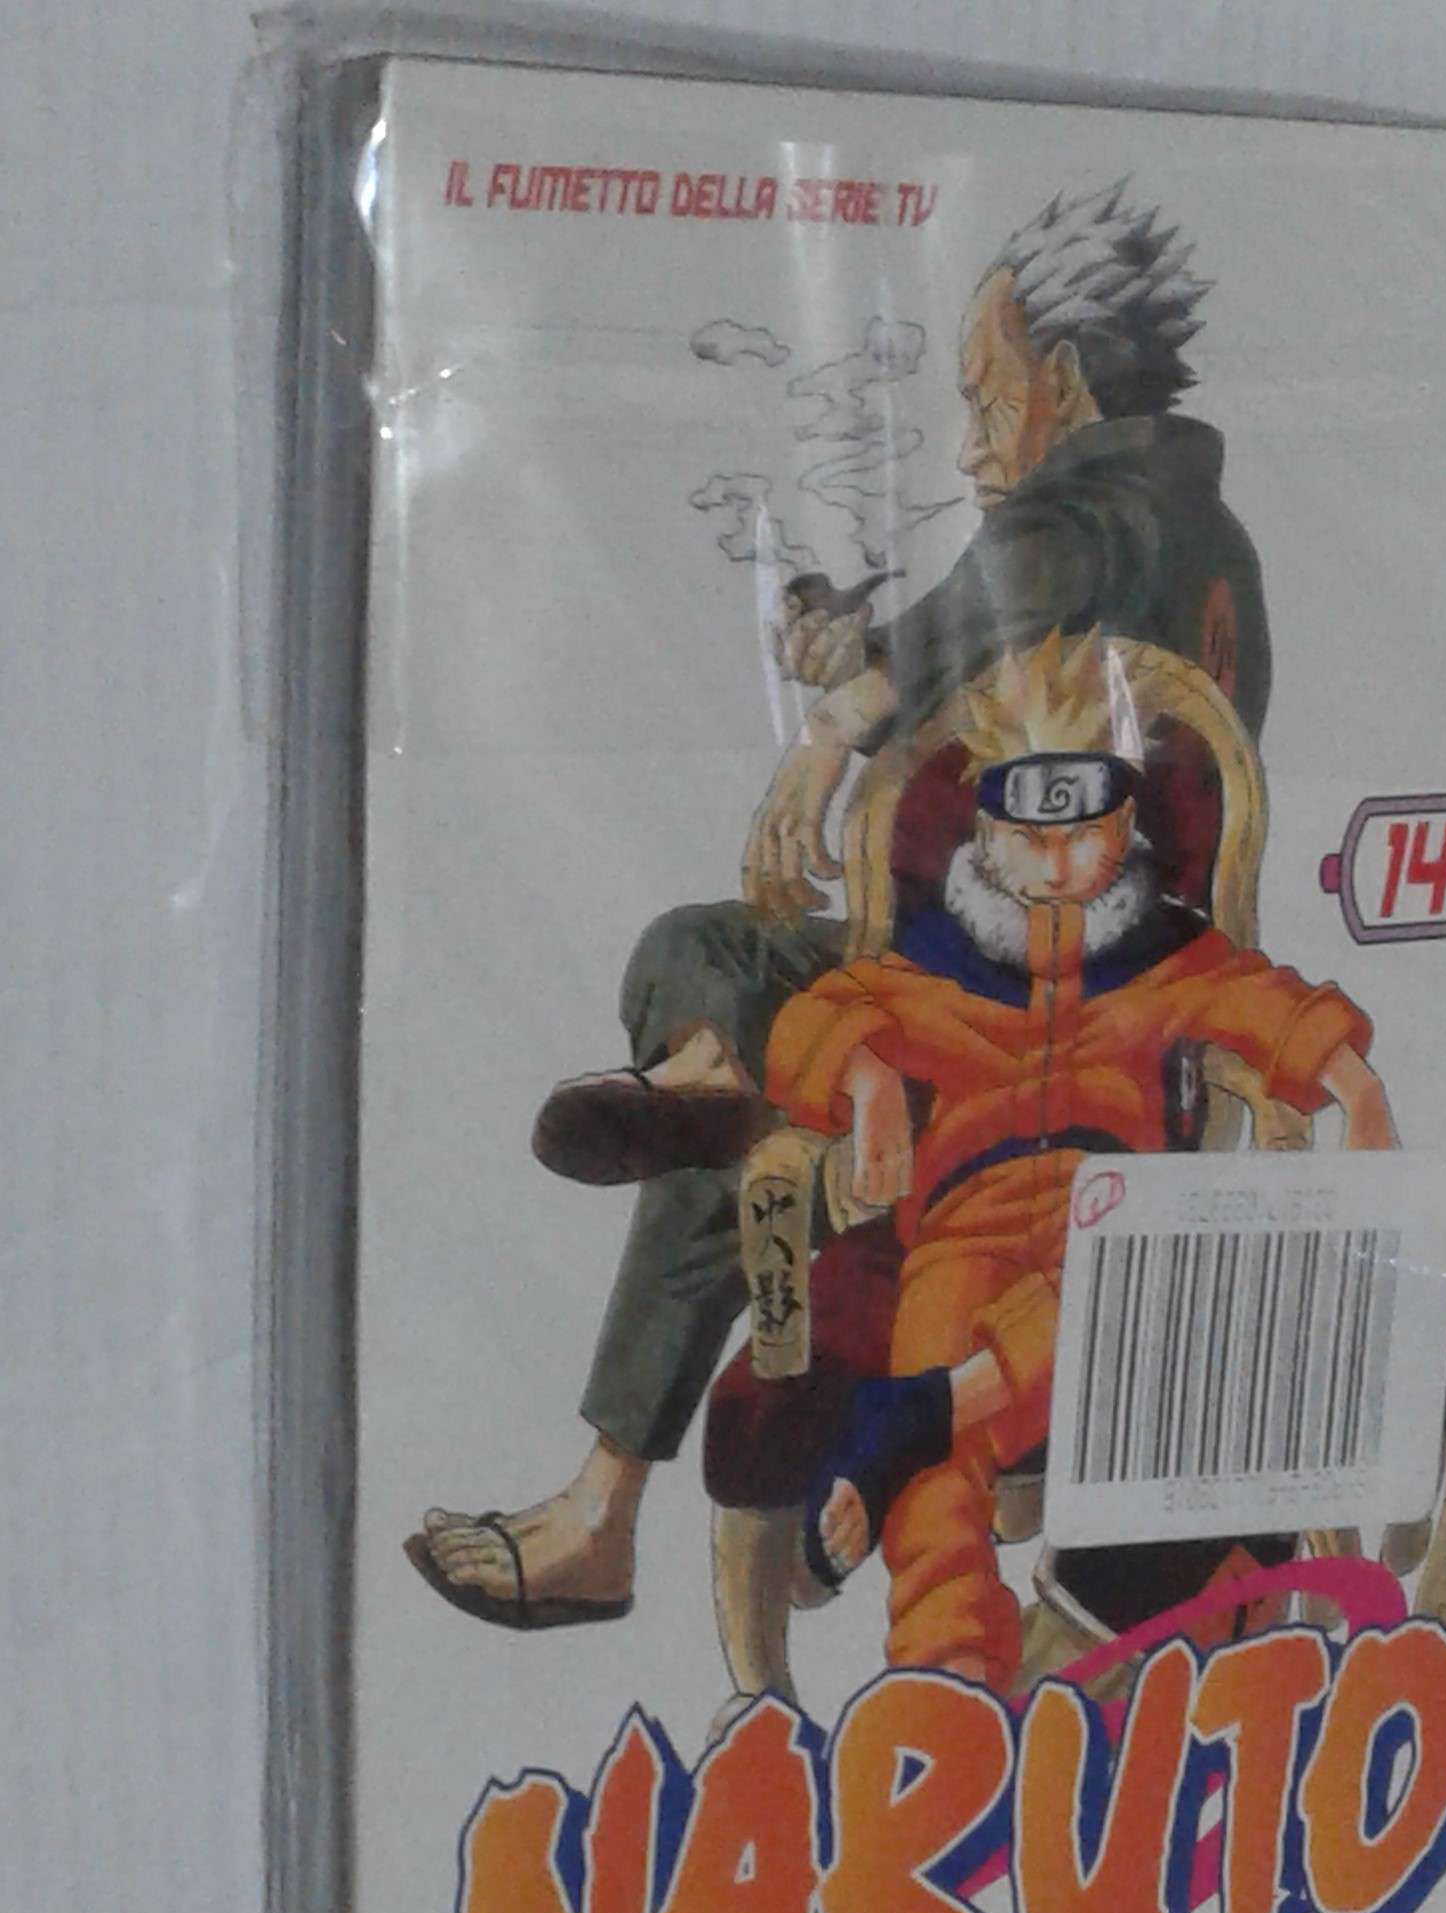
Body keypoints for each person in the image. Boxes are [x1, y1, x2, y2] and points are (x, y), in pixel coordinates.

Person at [409, 182, 1276, 1629]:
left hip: (1004, 1038)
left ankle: (604, 1504)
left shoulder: (1089, 506)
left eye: (987, 397)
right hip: (1085, 1013)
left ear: (1065, 381)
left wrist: (827, 734)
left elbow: (994, 601)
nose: (974, 441)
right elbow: (981, 646)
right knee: (724, 1040)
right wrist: (866, 646)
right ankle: (705, 1105)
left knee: (705, 972)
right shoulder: (1195, 533)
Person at [762, 630, 1393, 1692]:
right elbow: (811, 1021)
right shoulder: (928, 963)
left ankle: (915, 1414)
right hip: (960, 1237)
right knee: (936, 1478)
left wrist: (1356, 1086)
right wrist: (865, 1081)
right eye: (1029, 839)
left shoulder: (1165, 956)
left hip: (1113, 1232)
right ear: (987, 833)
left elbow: (1268, 1004)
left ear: (1124, 828)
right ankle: (947, 1690)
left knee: (1122, 1305)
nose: (1056, 865)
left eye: (1083, 836)